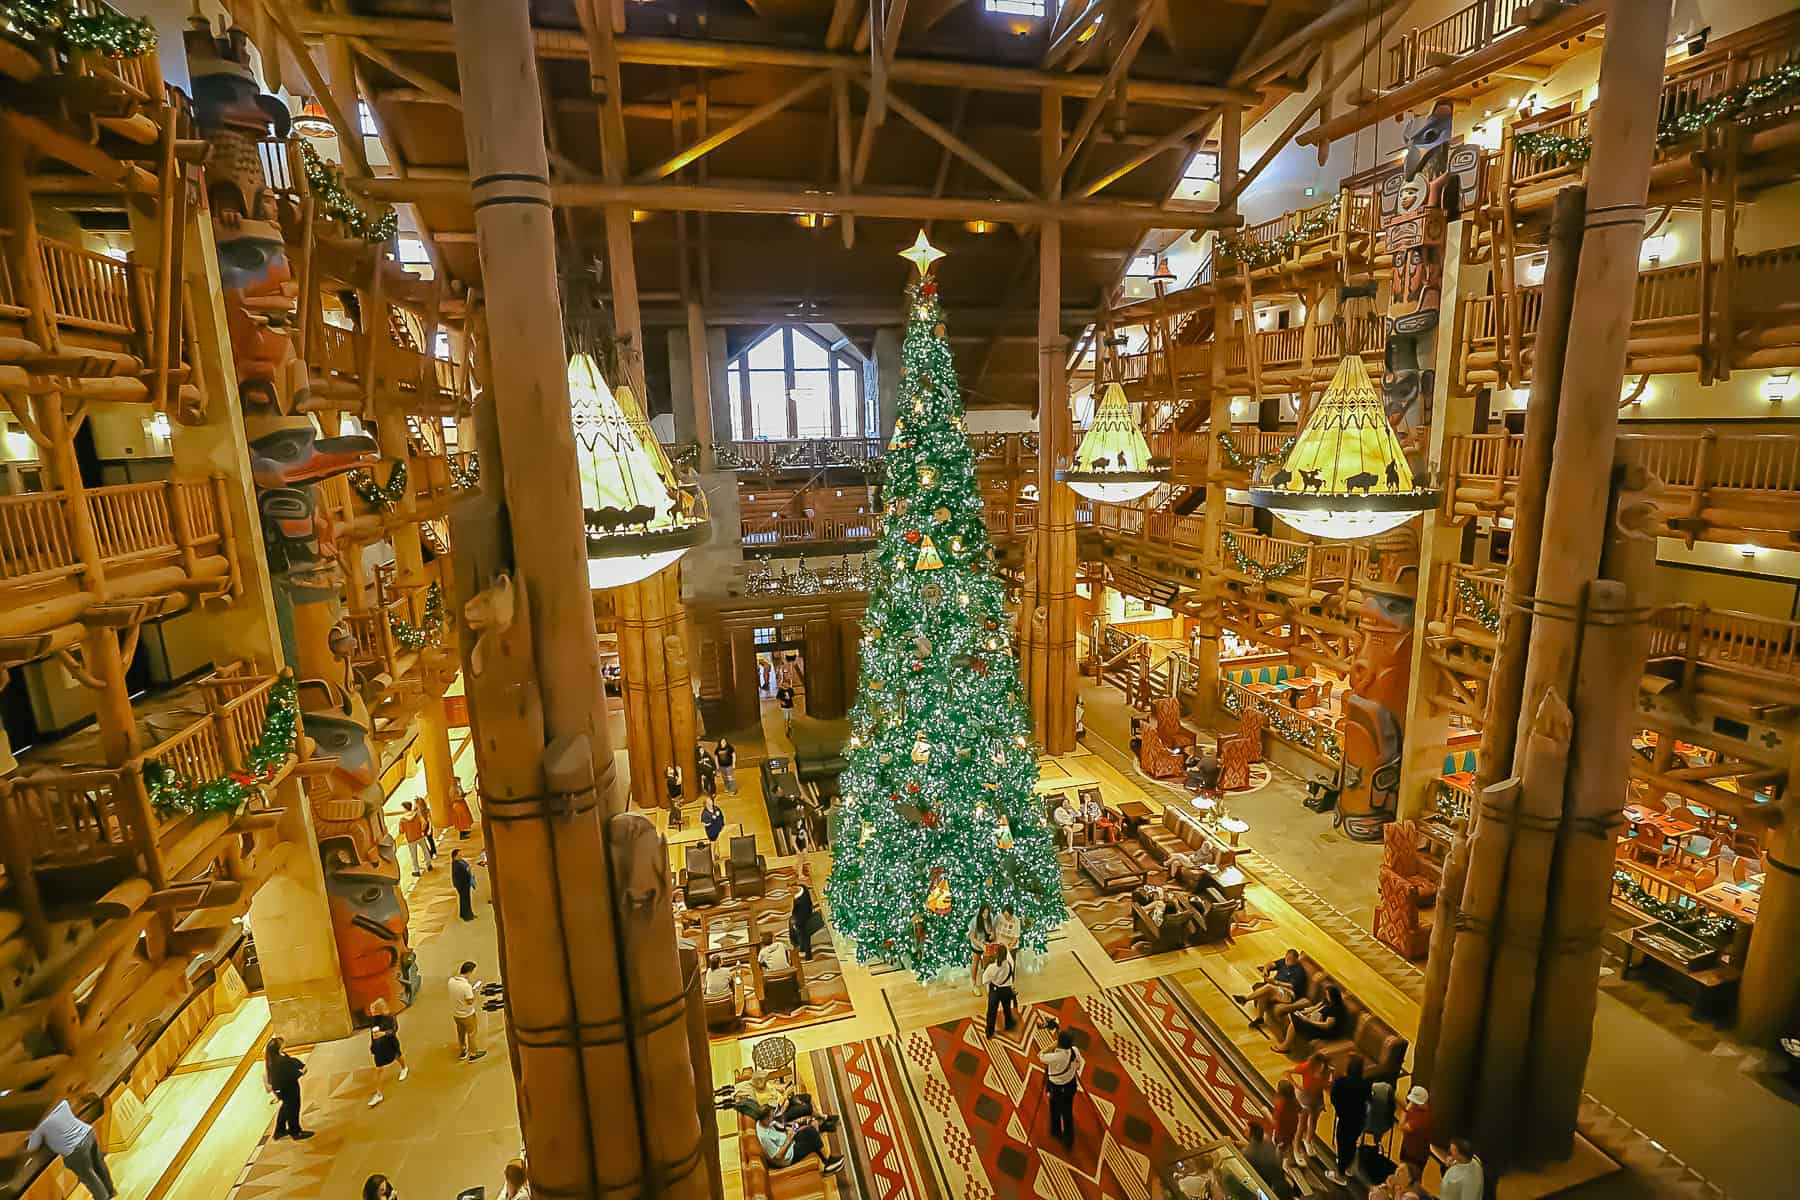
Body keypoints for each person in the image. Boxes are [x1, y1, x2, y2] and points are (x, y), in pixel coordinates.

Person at [28, 1100, 115, 1199]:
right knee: (99, 1164)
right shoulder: (63, 1104)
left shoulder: (41, 1126)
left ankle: (103, 1198)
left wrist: (33, 1133)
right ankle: (111, 1191)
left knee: (89, 1176)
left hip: (76, 1150)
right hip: (89, 1134)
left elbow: (31, 1147)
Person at [754, 1104, 844, 1174]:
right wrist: (789, 1139)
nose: (773, 1118)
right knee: (812, 1138)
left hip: (790, 1141)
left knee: (810, 1130)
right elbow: (777, 1156)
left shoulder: (761, 1122)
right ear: (765, 1119)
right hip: (788, 1157)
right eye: (771, 1117)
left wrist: (787, 1131)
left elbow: (777, 1129)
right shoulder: (764, 1137)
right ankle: (827, 1163)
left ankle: (827, 1160)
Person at [1234, 948, 1309, 1030]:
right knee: (1264, 994)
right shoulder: (1284, 961)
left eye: (1290, 959)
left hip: (1288, 994)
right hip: (1277, 989)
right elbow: (1271, 964)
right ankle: (1259, 1018)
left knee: (1269, 987)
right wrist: (1266, 969)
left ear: (1296, 959)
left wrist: (1276, 982)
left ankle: (1245, 999)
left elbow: (1291, 985)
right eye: (1287, 958)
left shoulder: (1299, 970)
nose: (1287, 960)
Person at [1327, 1054, 1371, 1185]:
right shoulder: (1365, 1084)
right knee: (1352, 1142)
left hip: (1345, 1118)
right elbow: (1369, 1099)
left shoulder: (1341, 1082)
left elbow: (1333, 1097)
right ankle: (1348, 1166)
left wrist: (1340, 1109)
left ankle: (1340, 1174)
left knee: (1342, 1143)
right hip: (1359, 1119)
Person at [1039, 1025, 1084, 1150]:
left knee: (1055, 1109)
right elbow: (1079, 1065)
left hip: (1057, 1088)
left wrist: (1051, 1046)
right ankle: (1069, 1139)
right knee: (1067, 1112)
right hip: (1070, 1085)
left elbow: (1041, 1055)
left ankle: (1056, 1131)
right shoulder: (1075, 1050)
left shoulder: (1056, 1056)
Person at [1280, 984, 1350, 1054]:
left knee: (1294, 1024)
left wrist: (1309, 1021)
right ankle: (1287, 1043)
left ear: (1333, 996)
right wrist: (1304, 1012)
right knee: (1293, 1016)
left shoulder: (1335, 1009)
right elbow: (1315, 1008)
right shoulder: (1327, 1001)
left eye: (1327, 995)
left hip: (1324, 1030)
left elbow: (1327, 1025)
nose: (1326, 996)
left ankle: (1285, 1047)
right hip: (1315, 1020)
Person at [264, 1036, 310, 1139]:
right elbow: (288, 1072)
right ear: (278, 1047)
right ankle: (295, 1132)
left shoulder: (278, 1056)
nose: (284, 1044)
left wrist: (300, 1065)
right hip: (286, 1087)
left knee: (286, 1107)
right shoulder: (279, 1061)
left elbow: (291, 1061)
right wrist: (301, 1073)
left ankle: (279, 1130)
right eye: (282, 1043)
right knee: (293, 1108)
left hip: (285, 1087)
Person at [365, 997, 408, 1107]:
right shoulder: (373, 1019)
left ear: (380, 1009)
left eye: (373, 1009)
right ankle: (379, 1094)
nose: (371, 1012)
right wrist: (373, 1045)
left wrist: (383, 1034)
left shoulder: (390, 1018)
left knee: (398, 1055)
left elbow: (394, 1030)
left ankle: (404, 1068)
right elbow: (372, 1033)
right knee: (379, 1070)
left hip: (390, 1044)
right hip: (379, 1048)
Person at [449, 960, 488, 1061]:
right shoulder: (466, 986)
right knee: (472, 1032)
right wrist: (473, 991)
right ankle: (473, 1053)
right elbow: (470, 1001)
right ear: (469, 972)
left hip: (456, 1013)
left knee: (461, 1032)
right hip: (467, 1014)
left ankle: (463, 1051)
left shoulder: (451, 981)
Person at [1242, 1120, 1287, 1198]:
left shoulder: (1247, 1153)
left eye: (1246, 1130)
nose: (1244, 1130)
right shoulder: (1266, 1138)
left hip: (1268, 1184)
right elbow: (1256, 1147)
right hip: (1279, 1175)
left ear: (1252, 1135)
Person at [1295, 1051, 1332, 1145]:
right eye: (1319, 1065)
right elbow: (1287, 1072)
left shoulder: (1326, 1071)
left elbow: (1326, 1086)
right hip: (1306, 1099)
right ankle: (1296, 1147)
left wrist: (1331, 1078)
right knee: (1302, 1125)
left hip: (1318, 1100)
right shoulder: (1306, 1067)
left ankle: (1308, 1141)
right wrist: (1296, 1085)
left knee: (1313, 1123)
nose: (1321, 1068)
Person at [982, 943, 1018, 1038]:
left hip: (995, 991)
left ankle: (989, 1032)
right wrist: (1005, 946)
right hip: (1006, 990)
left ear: (996, 954)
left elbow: (984, 980)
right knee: (1007, 1009)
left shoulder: (992, 967)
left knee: (992, 1012)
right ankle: (1009, 1025)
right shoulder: (1010, 964)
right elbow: (1009, 956)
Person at [1398, 1085, 1434, 1174]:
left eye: (1414, 1102)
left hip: (1414, 1156)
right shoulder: (1416, 1109)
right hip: (1408, 1150)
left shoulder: (1423, 1119)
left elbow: (1401, 1126)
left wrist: (1406, 1110)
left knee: (1408, 1178)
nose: (1412, 1103)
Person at [1270, 1077, 1303, 1172]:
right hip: (1292, 1128)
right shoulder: (1295, 1101)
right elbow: (1300, 1110)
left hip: (1281, 1133)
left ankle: (1279, 1165)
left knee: (1280, 1148)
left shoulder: (1280, 1106)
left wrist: (1266, 1113)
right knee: (1287, 1145)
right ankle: (1288, 1160)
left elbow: (1276, 1123)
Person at [968, 903, 996, 994]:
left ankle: (987, 983)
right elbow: (972, 937)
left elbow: (991, 930)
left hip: (987, 944)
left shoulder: (990, 917)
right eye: (984, 913)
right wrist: (980, 945)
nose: (985, 915)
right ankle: (973, 983)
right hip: (977, 944)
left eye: (987, 913)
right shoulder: (974, 921)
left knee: (987, 963)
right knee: (975, 961)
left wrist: (992, 935)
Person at [790, 882, 821, 959]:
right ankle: (799, 946)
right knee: (800, 933)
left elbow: (798, 911)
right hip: (805, 913)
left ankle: (807, 954)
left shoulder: (800, 899)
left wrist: (795, 921)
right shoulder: (803, 887)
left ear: (794, 887)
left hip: (802, 918)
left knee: (804, 935)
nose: (790, 893)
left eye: (790, 890)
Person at [399, 802, 431, 876]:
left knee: (413, 855)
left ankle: (416, 870)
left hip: (410, 839)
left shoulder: (402, 819)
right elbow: (424, 823)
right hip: (419, 836)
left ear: (405, 808)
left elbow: (401, 831)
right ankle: (428, 865)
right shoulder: (417, 815)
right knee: (425, 850)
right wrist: (421, 830)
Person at [451, 848, 477, 921]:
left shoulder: (460, 862)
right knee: (465, 900)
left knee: (464, 899)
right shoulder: (457, 865)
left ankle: (463, 914)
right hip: (462, 885)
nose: (461, 856)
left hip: (465, 883)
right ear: (455, 857)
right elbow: (463, 873)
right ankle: (467, 916)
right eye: (459, 855)